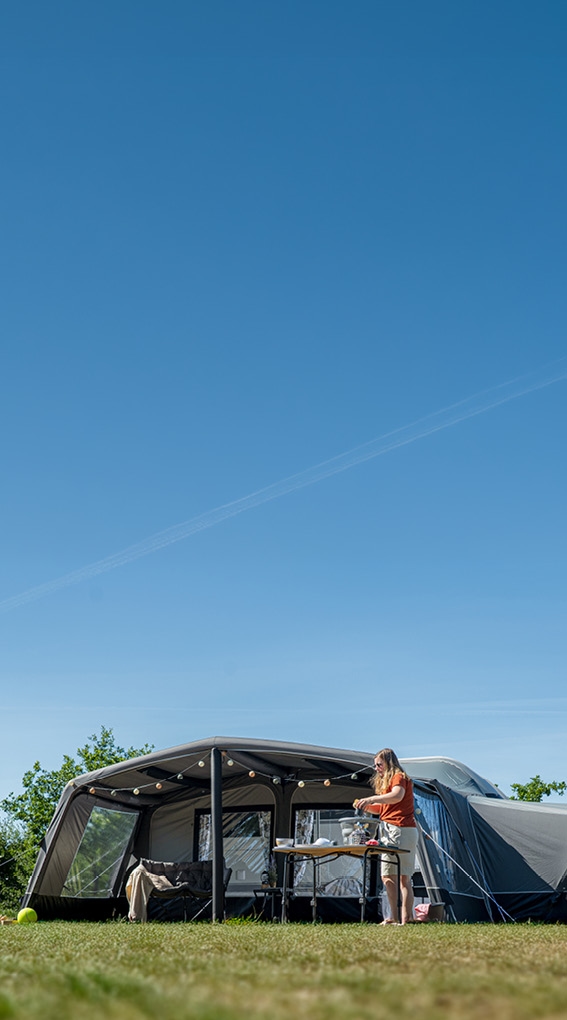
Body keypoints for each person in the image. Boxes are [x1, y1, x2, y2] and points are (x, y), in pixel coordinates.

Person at [354, 748, 418, 925]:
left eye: (379, 764)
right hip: (389, 830)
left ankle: (407, 920)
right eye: (375, 765)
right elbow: (384, 808)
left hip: (401, 829)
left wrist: (372, 798)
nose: (376, 768)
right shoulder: (386, 781)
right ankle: (394, 918)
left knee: (403, 877)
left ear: (389, 762)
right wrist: (365, 805)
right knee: (387, 876)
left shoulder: (399, 776)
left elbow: (397, 796)